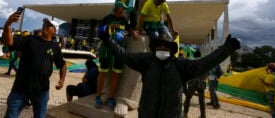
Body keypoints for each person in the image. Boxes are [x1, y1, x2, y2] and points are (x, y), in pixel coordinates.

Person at [97, 26, 241, 118]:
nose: (163, 49)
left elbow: (205, 63)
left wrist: (226, 49)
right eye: (159, 46)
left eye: (166, 47)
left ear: (172, 50)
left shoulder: (181, 65)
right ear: (154, 49)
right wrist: (108, 41)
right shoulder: (146, 61)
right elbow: (123, 55)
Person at [2, 12, 67, 118]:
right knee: (11, 115)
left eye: (48, 25)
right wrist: (8, 24)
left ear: (54, 31)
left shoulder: (55, 47)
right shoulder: (30, 39)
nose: (45, 25)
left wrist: (62, 79)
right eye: (44, 24)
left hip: (41, 90)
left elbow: (62, 65)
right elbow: (10, 42)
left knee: (40, 116)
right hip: (20, 88)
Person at [95, 1, 139, 109]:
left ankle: (111, 97)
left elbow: (129, 29)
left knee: (116, 74)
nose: (123, 11)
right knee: (103, 73)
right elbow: (99, 32)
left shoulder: (124, 20)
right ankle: (98, 96)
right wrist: (110, 27)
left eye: (124, 10)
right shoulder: (107, 18)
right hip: (106, 49)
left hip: (119, 50)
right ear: (117, 9)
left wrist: (133, 32)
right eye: (122, 9)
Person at [183, 50, 208, 118]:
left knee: (188, 98)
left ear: (194, 55)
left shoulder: (191, 62)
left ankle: (185, 114)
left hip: (192, 83)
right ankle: (203, 115)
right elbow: (207, 73)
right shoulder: (204, 63)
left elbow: (188, 72)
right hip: (201, 83)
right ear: (200, 55)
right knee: (202, 101)